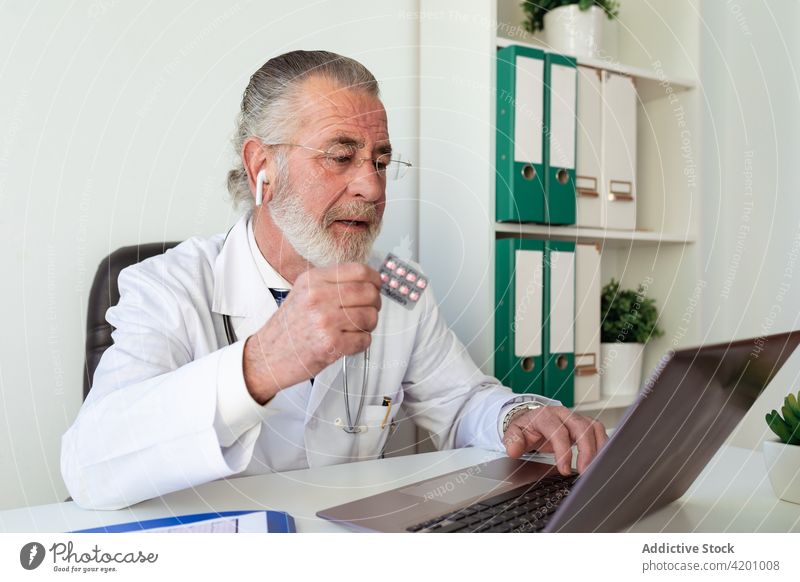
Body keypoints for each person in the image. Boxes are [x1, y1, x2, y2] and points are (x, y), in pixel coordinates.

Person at [61, 50, 607, 510]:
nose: (371, 187)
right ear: (261, 168)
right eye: (341, 156)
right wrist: (261, 364)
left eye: (381, 161)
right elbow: (88, 467)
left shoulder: (399, 285)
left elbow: (461, 403)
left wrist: (519, 416)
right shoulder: (167, 285)